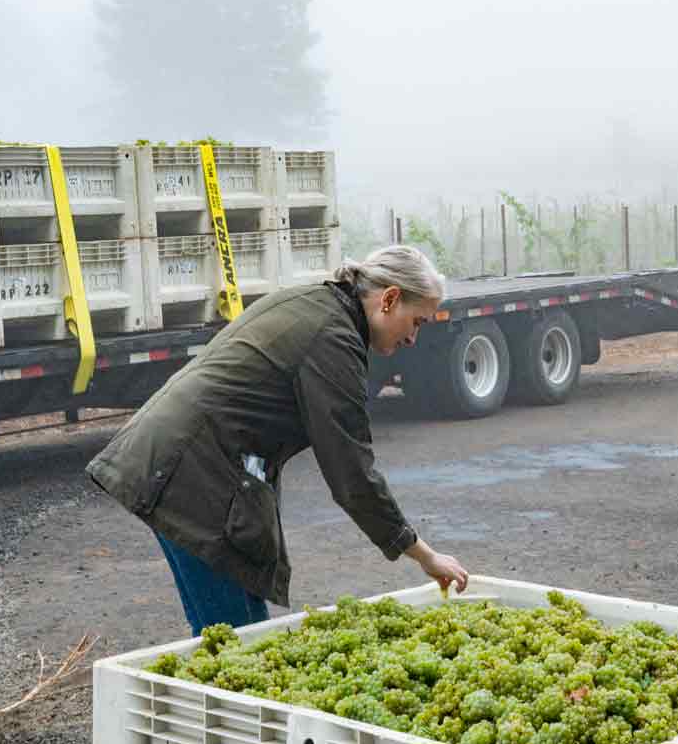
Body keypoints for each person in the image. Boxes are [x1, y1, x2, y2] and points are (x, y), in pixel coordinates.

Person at [86, 245, 470, 635]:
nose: (413, 338)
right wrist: (424, 555)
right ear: (389, 299)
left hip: (187, 463)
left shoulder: (317, 304)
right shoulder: (333, 337)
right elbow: (352, 474)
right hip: (188, 475)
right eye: (417, 321)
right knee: (233, 643)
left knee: (244, 632)